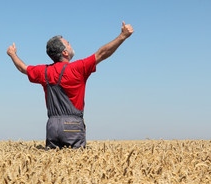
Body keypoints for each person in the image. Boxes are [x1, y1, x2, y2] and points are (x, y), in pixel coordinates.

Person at [7, 21, 134, 149]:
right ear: (65, 53)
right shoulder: (77, 68)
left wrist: (12, 54)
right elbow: (102, 53)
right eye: (68, 43)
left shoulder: (43, 71)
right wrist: (122, 36)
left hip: (51, 126)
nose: (71, 44)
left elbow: (23, 68)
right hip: (72, 126)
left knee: (53, 165)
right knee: (78, 165)